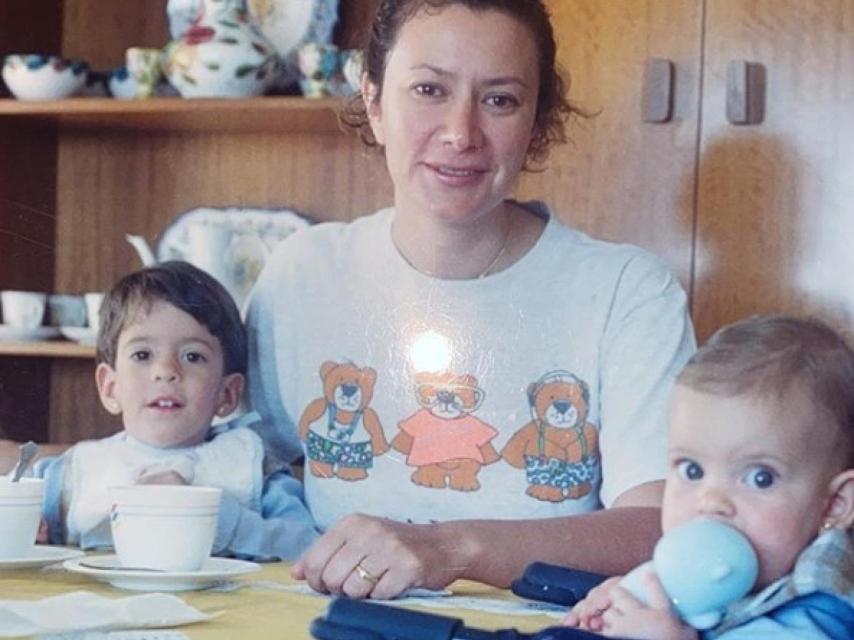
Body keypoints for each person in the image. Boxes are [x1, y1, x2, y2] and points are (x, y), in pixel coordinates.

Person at [245, 0, 695, 599]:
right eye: (429, 89)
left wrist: (451, 548)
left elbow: (661, 527)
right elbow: (244, 464)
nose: (461, 133)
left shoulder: (628, 292)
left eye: (500, 100)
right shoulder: (301, 274)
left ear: (537, 124)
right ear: (374, 102)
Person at [564, 315, 854, 639]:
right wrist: (634, 599)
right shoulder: (715, 579)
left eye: (760, 478)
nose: (711, 501)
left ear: (834, 506)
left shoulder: (821, 614)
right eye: (692, 470)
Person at [32, 261, 318, 560]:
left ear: (227, 393)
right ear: (110, 387)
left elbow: (307, 550)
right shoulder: (66, 474)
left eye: (192, 356)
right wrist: (29, 530)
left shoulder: (254, 469)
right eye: (142, 354)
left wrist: (213, 517)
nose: (166, 371)